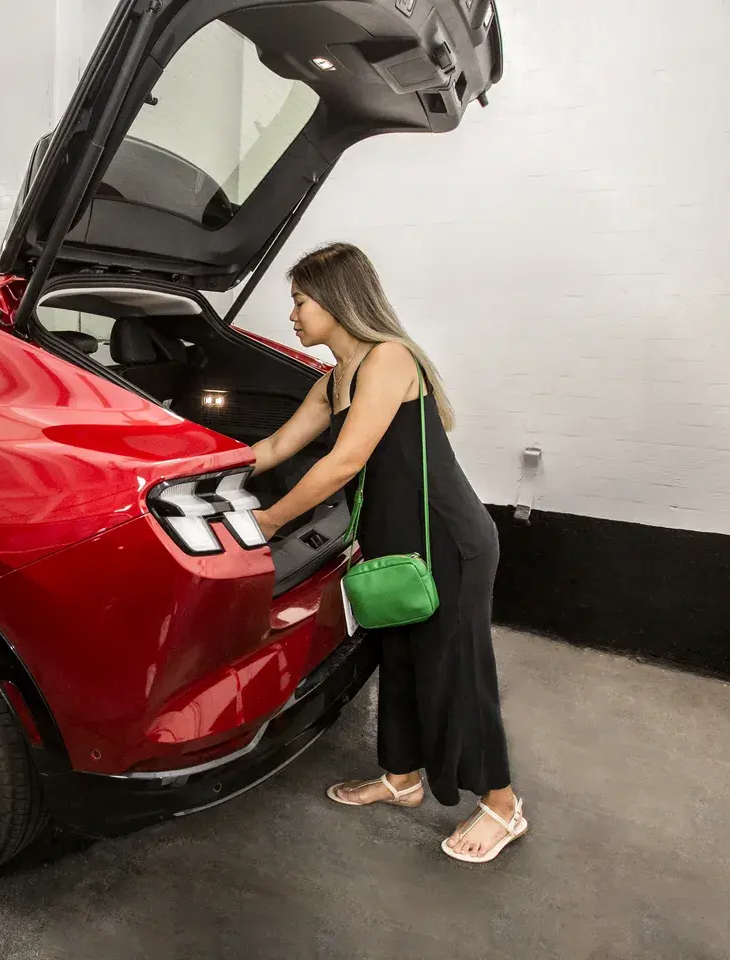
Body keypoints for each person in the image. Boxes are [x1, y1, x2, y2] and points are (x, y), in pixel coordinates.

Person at [249, 242, 526, 864]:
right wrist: (198, 467)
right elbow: (272, 446)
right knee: (398, 656)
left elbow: (345, 460)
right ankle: (401, 778)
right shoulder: (333, 379)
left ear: (338, 300)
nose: (292, 315)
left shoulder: (388, 358)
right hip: (394, 544)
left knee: (455, 666)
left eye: (299, 301)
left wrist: (269, 520)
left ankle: (503, 806)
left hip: (447, 540)